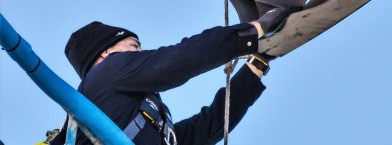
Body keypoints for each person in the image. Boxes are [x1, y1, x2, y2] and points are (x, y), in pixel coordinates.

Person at [50, 9, 291, 144]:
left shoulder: (143, 117)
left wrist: (255, 68)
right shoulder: (109, 71)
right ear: (105, 53)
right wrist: (251, 32)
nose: (141, 53)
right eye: (134, 46)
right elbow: (181, 59)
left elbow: (207, 128)